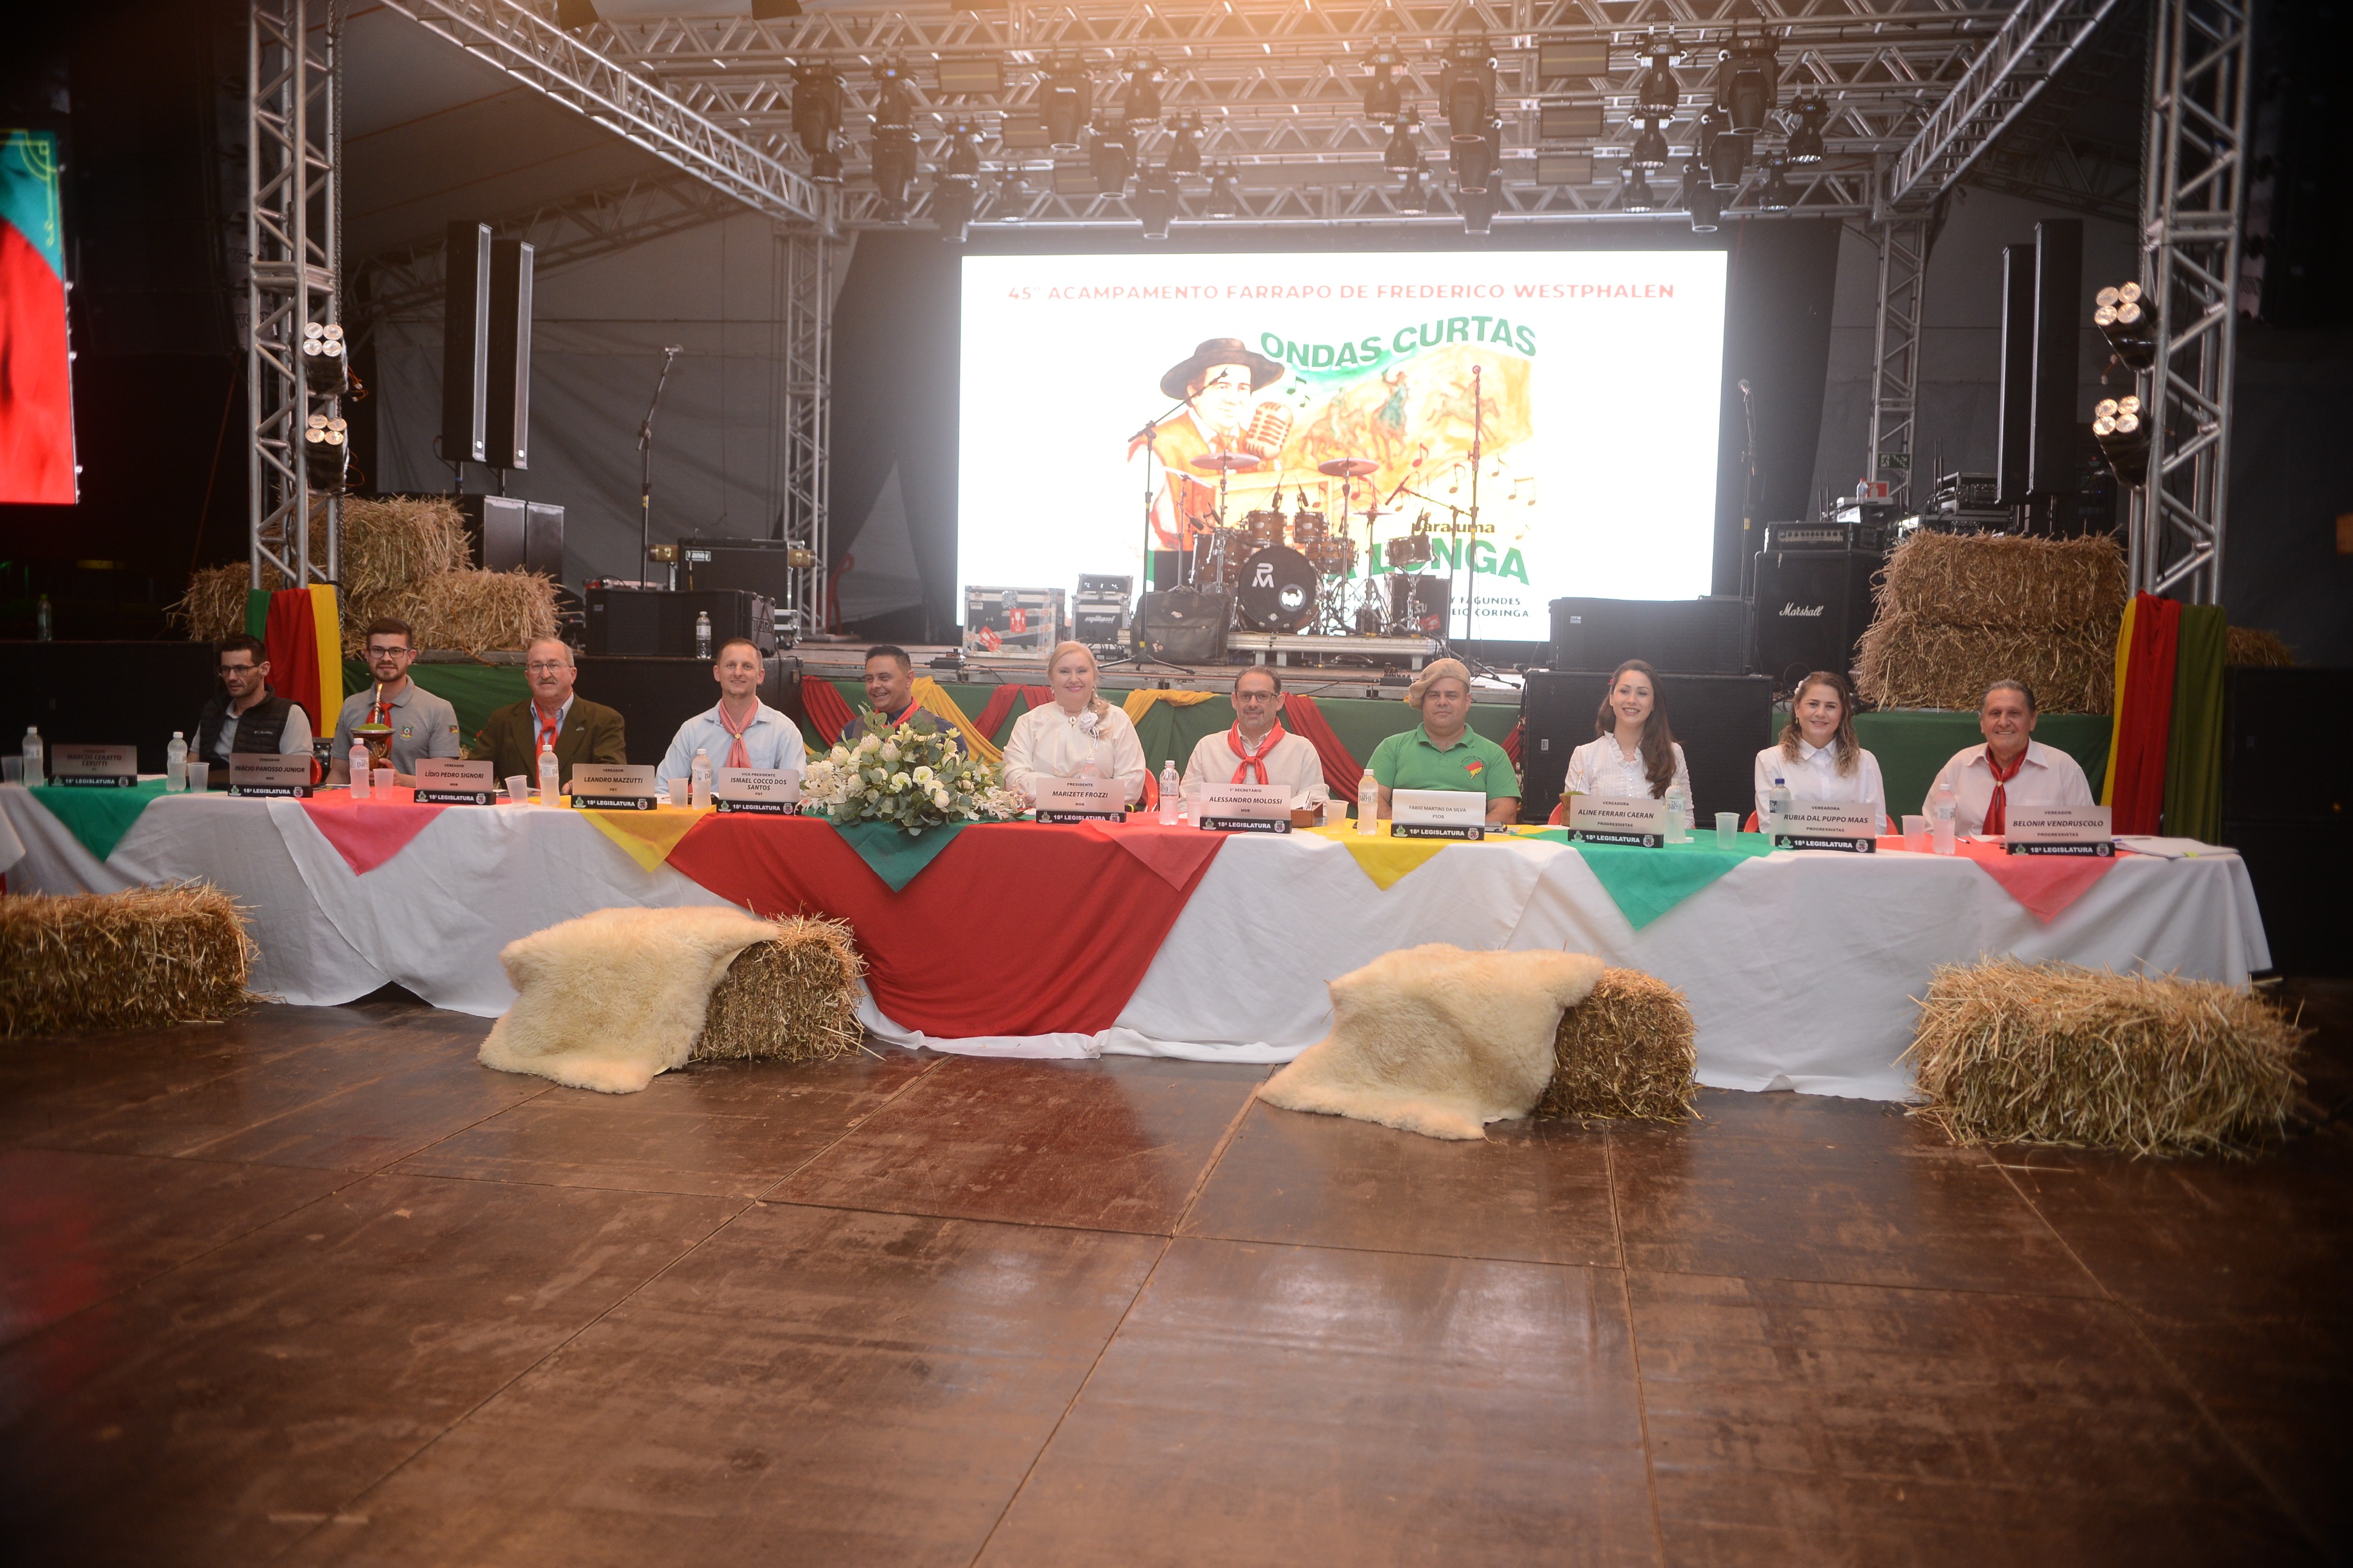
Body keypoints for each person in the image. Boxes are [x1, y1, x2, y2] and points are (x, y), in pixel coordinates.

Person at [1128, 336, 1288, 560]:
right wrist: (1161, 555)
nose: (1233, 399)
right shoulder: (1159, 444)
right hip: (1180, 568)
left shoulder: (1261, 448)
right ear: (1194, 393)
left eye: (1243, 388)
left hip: (1251, 570)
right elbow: (1128, 517)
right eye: (1222, 387)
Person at [1925, 678, 2094, 835]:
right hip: (1966, 858)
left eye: (2014, 713)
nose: (2004, 722)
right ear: (1982, 723)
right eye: (1995, 713)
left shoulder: (2064, 769)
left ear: (2033, 720)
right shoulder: (1959, 765)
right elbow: (1931, 832)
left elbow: (2087, 837)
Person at [1367, 656, 1520, 825]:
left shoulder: (1494, 755)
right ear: (1423, 702)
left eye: (1451, 696)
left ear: (1467, 702)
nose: (1442, 702)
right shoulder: (1391, 748)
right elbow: (1371, 799)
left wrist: (1466, 835)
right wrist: (1400, 829)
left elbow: (1506, 813)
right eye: (1434, 695)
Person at [1000, 641, 1150, 806]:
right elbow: (1014, 777)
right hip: (1042, 820)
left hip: (1101, 820)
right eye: (1064, 672)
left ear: (1094, 676)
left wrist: (1061, 794)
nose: (1073, 679)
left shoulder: (1117, 719)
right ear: (1051, 677)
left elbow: (1131, 784)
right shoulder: (1028, 722)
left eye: (1082, 671)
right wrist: (1077, 795)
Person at [472, 637, 626, 791]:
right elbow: (473, 776)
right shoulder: (503, 720)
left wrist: (582, 785)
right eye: (536, 666)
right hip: (518, 807)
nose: (545, 674)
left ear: (572, 674)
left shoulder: (603, 720)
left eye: (554, 665)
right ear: (527, 677)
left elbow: (612, 777)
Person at [329, 617, 461, 787]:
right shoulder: (351, 706)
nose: (386, 658)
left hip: (414, 804)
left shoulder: (438, 710)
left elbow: (447, 780)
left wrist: (401, 780)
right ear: (366, 654)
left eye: (396, 651)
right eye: (378, 650)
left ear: (410, 656)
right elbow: (339, 774)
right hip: (359, 803)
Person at [660, 637, 808, 782]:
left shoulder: (784, 731)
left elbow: (796, 791)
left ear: (760, 676)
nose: (738, 673)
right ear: (717, 673)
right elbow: (663, 787)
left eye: (747, 666)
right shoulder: (692, 731)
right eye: (731, 665)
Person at [1181, 665, 1328, 807]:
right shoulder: (1207, 748)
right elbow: (1185, 807)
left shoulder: (1302, 750)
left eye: (1262, 696)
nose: (1252, 704)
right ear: (1234, 701)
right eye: (1245, 696)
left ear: (1279, 702)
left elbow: (1316, 810)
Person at [1754, 670, 1887, 828]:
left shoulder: (1865, 762)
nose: (1821, 713)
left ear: (1842, 714)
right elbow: (1771, 826)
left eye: (1831, 706)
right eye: (1813, 704)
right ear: (1797, 708)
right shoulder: (1770, 760)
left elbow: (1877, 827)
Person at [1561, 659, 1692, 817]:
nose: (1632, 700)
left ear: (1654, 704)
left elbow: (1685, 820)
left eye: (1642, 693)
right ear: (1611, 698)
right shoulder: (1585, 756)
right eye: (1624, 691)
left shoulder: (1673, 754)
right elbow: (1573, 820)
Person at [195, 634, 314, 781]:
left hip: (264, 794)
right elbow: (192, 765)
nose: (231, 677)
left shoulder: (290, 714)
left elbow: (297, 778)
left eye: (241, 669)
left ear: (264, 669)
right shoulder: (214, 710)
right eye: (226, 669)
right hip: (210, 792)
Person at [839, 644, 961, 754]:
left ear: (909, 679)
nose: (875, 685)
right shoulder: (853, 731)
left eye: (884, 678)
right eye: (869, 679)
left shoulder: (943, 734)